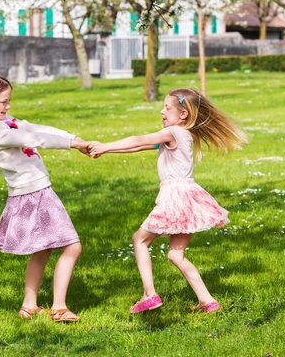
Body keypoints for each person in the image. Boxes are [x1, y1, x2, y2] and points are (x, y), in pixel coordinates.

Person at [88, 88, 248, 314]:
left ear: (183, 114)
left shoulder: (172, 132)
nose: (162, 111)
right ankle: (207, 301)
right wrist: (107, 151)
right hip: (189, 198)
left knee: (140, 240)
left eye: (168, 108)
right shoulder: (182, 134)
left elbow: (139, 139)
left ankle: (149, 294)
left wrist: (105, 146)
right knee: (175, 254)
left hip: (175, 197)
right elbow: (141, 146)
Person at [0, 74, 89, 322]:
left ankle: (29, 306)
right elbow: (33, 138)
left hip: (32, 193)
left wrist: (74, 139)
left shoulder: (5, 123)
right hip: (34, 195)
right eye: (3, 102)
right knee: (72, 246)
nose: (8, 106)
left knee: (43, 250)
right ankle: (59, 307)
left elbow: (35, 128)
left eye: (9, 100)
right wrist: (72, 144)